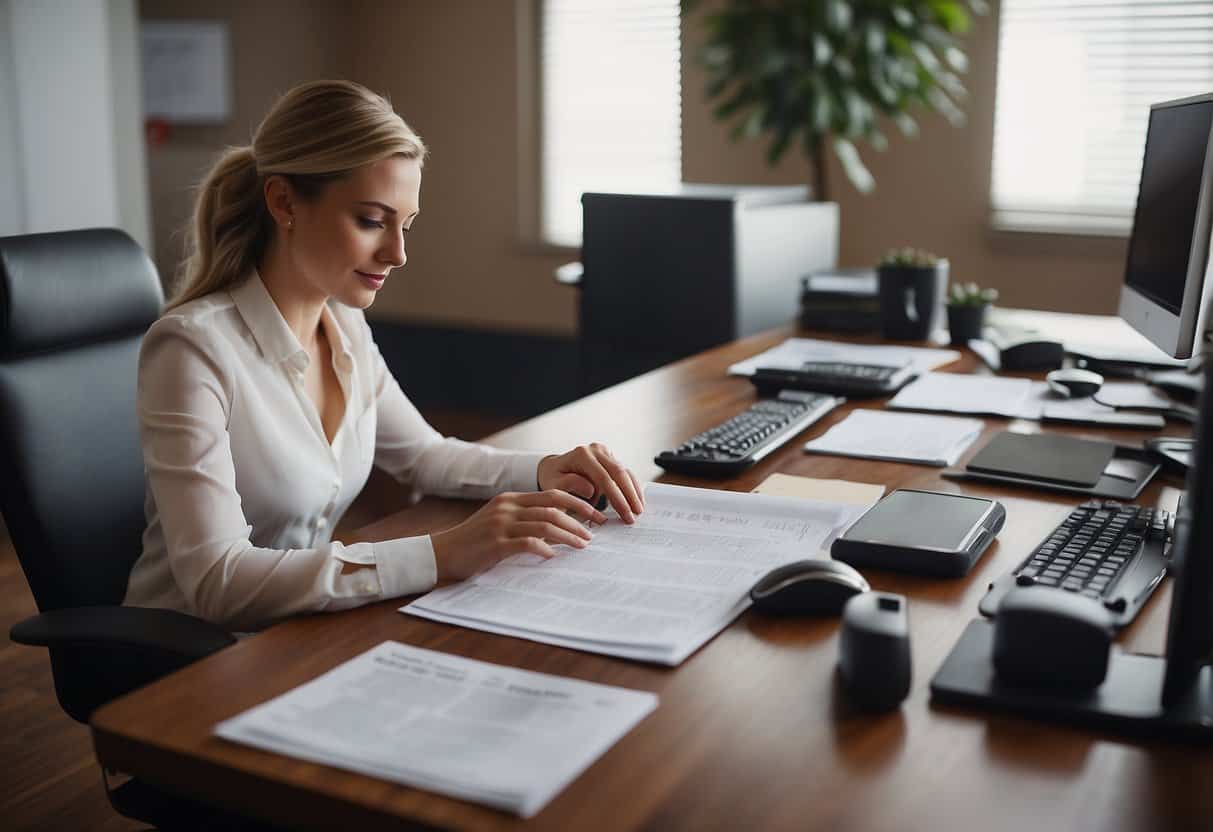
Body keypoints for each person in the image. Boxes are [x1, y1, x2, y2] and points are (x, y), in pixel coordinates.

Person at [123, 80, 644, 632]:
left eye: (406, 225)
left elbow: (424, 457)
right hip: (187, 661)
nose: (397, 253)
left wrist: (544, 470)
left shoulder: (344, 324)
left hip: (295, 629)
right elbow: (217, 581)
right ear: (282, 201)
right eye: (372, 221)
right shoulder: (192, 348)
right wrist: (440, 554)